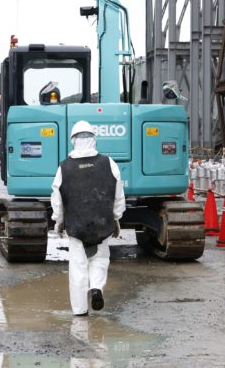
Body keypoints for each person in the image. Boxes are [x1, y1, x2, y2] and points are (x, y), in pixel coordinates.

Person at [51, 120, 126, 316]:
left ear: (73, 140)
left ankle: (80, 310)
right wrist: (116, 218)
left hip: (76, 226)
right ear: (93, 138)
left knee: (78, 267)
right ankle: (97, 288)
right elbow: (118, 194)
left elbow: (57, 198)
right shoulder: (108, 163)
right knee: (100, 259)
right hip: (102, 224)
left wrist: (58, 221)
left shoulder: (64, 167)